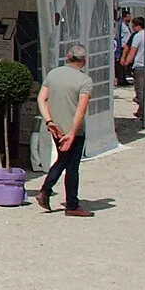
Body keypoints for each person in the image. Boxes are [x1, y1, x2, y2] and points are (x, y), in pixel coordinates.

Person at [38, 42, 94, 216]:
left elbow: (41, 99)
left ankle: (47, 191)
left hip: (56, 126)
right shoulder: (84, 80)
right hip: (73, 130)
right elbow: (81, 110)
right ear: (83, 61)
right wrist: (72, 133)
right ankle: (70, 203)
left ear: (68, 57)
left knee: (63, 160)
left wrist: (49, 121)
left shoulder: (53, 74)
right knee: (72, 166)